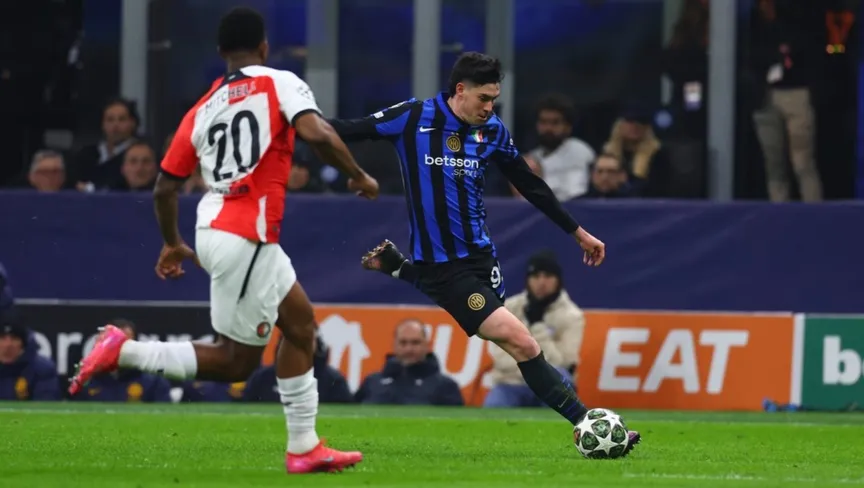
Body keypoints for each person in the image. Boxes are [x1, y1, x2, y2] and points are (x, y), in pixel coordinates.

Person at [68, 7, 378, 474]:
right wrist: (357, 174)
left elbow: (164, 187)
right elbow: (317, 132)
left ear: (220, 52)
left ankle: (305, 447)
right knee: (236, 364)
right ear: (265, 47)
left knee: (300, 325)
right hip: (246, 233)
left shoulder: (203, 107)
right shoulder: (279, 82)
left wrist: (171, 242)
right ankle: (124, 350)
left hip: (217, 225)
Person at [328, 52, 640, 455]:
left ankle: (402, 270)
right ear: (461, 90)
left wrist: (577, 232)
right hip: (445, 265)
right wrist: (295, 128)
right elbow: (346, 130)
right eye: (484, 98)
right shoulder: (413, 117)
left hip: (482, 257)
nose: (490, 107)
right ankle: (587, 423)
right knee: (522, 342)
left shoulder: (491, 130)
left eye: (494, 99)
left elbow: (529, 183)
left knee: (513, 339)